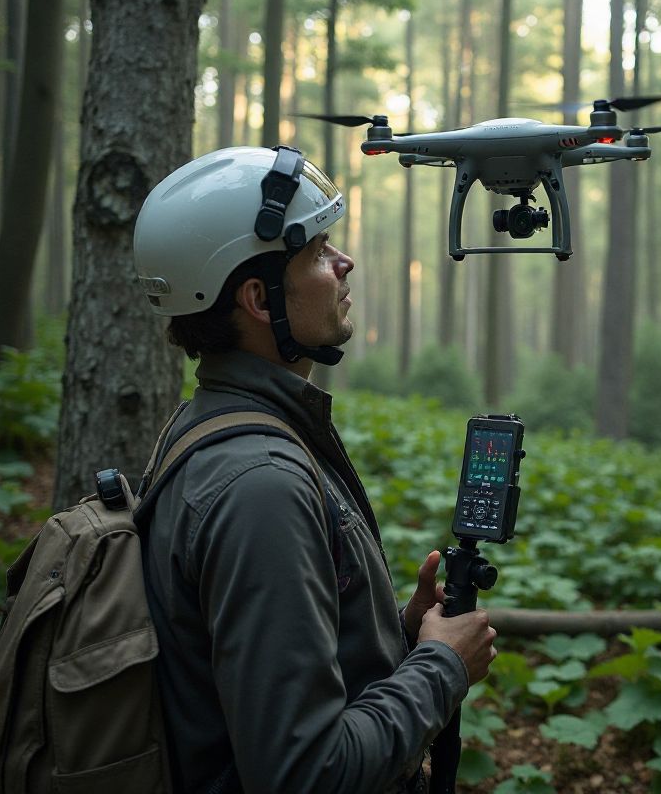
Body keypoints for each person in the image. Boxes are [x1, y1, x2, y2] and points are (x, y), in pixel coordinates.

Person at [132, 145, 497, 794]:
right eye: (318, 250)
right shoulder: (259, 487)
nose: (344, 262)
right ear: (257, 298)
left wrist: (398, 635)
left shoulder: (212, 425)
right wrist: (441, 667)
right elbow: (305, 773)